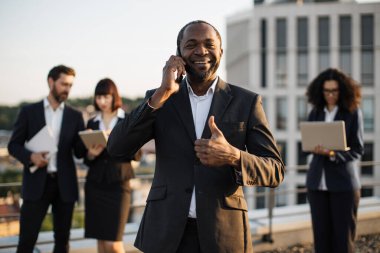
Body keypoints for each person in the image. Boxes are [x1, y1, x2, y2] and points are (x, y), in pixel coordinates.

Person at [108, 20, 285, 253]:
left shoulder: (247, 102)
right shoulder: (161, 98)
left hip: (223, 234)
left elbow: (275, 170)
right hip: (165, 235)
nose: (201, 51)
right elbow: (116, 148)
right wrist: (162, 93)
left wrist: (233, 155)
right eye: (191, 45)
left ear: (220, 51)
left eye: (209, 44)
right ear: (178, 54)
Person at [8, 65, 86, 253]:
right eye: (64, 84)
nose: (67, 89)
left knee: (62, 242)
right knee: (26, 241)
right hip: (36, 185)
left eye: (70, 85)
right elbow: (13, 145)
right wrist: (30, 156)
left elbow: (78, 153)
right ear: (51, 82)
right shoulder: (29, 111)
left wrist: (88, 141)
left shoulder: (75, 116)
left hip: (65, 186)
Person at [305, 68, 364, 253]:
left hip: (343, 185)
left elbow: (358, 149)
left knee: (343, 242)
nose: (330, 95)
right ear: (320, 91)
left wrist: (332, 154)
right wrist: (312, 147)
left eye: (334, 90)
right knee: (321, 241)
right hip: (316, 185)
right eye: (326, 91)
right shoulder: (316, 112)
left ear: (342, 90)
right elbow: (306, 142)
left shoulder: (352, 113)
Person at [84, 78, 141, 253]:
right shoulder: (92, 123)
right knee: (101, 243)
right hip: (95, 185)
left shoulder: (127, 120)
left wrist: (114, 143)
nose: (102, 102)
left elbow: (137, 154)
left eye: (106, 97)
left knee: (114, 244)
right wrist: (91, 154)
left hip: (118, 186)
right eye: (98, 98)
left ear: (114, 96)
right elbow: (86, 159)